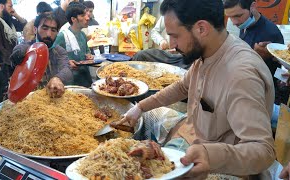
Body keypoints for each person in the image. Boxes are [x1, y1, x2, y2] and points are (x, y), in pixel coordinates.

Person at [114, 0, 275, 178]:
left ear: (201, 28)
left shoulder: (241, 75)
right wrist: (140, 107)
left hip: (221, 164)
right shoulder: (208, 51)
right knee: (148, 116)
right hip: (193, 134)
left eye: (175, 35)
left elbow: (263, 150)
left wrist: (210, 156)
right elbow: (183, 86)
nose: (171, 44)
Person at [223, 0, 289, 105]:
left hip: (260, 92)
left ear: (253, 6)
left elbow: (274, 72)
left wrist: (256, 56)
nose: (234, 22)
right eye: (230, 17)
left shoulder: (270, 33)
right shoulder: (245, 24)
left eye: (238, 16)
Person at [10, 13, 73, 98]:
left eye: (53, 30)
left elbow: (66, 69)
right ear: (35, 29)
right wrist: (24, 53)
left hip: (53, 96)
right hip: (28, 98)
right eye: (44, 28)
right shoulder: (26, 47)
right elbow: (17, 53)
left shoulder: (59, 51)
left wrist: (57, 78)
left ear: (57, 33)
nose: (48, 34)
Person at [0, 0, 27, 99]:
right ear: (1, 6)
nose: (12, 9)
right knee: (8, 95)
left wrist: (15, 14)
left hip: (13, 63)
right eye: (10, 6)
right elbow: (0, 48)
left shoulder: (9, 20)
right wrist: (13, 63)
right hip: (5, 66)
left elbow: (24, 26)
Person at [54, 3, 93, 87]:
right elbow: (53, 58)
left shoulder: (82, 34)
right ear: (73, 19)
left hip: (85, 77)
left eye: (87, 14)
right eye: (82, 15)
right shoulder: (62, 36)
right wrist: (67, 63)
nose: (87, 18)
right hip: (70, 80)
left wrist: (89, 55)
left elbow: (87, 50)